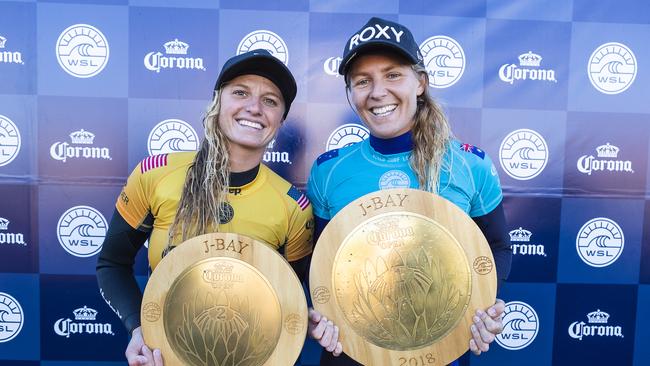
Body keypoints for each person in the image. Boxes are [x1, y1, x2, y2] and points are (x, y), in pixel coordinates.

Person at [96, 49, 341, 366]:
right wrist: (140, 329)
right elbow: (112, 265)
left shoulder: (293, 206)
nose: (254, 107)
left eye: (270, 100)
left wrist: (305, 319)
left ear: (280, 120)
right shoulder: (155, 175)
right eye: (240, 92)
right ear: (217, 102)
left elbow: (286, 299)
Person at [307, 17, 512, 365]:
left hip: (440, 347)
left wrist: (485, 304)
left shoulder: (469, 166)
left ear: (420, 83)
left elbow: (498, 247)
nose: (377, 92)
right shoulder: (328, 170)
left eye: (392, 75)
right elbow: (321, 262)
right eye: (362, 81)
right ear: (351, 93)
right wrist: (318, 313)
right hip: (350, 352)